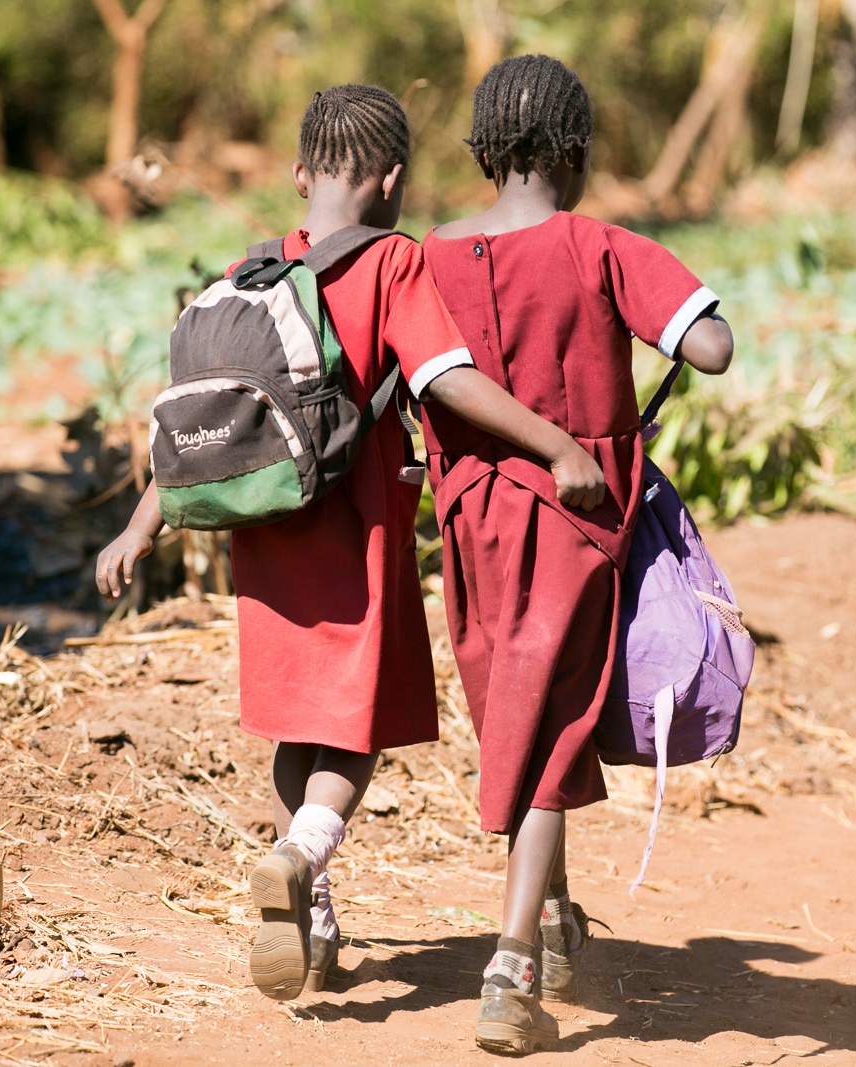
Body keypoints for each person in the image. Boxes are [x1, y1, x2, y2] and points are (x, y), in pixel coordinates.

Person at [94, 84, 609, 1005]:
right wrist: (554, 442)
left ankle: (315, 916)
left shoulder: (254, 269)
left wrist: (140, 526)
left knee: (299, 723)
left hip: (262, 542)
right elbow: (446, 380)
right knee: (356, 731)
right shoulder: (390, 266)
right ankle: (300, 855)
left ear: (300, 174)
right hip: (350, 534)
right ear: (395, 180)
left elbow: (199, 427)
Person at [421, 55, 735, 1054]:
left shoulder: (427, 256)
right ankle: (511, 961)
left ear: (481, 152)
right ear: (578, 151)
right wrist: (687, 320)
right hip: (576, 516)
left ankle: (552, 915)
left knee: (516, 707)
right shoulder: (600, 246)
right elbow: (711, 347)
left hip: (469, 519)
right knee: (555, 731)